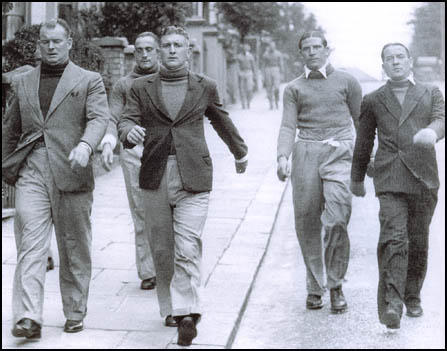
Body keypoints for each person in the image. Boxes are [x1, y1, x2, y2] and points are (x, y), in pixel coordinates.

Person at [118, 25, 248, 346]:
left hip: (194, 175)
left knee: (188, 245)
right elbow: (125, 118)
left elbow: (221, 120)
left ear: (189, 51)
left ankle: (187, 313)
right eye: (167, 45)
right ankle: (170, 307)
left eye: (178, 45)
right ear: (159, 51)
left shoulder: (205, 86)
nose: (172, 50)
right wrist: (127, 132)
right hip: (155, 173)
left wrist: (240, 151)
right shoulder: (141, 87)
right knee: (162, 246)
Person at [2, 19, 110, 339]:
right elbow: (10, 129)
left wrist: (86, 145)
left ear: (69, 43)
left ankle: (75, 310)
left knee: (73, 246)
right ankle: (28, 317)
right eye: (45, 41)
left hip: (72, 169)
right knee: (30, 243)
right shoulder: (24, 82)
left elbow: (99, 117)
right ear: (39, 44)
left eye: (57, 41)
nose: (51, 46)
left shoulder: (89, 80)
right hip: (32, 170)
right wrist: (7, 168)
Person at [350, 43, 445, 330]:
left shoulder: (430, 92)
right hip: (390, 176)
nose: (395, 62)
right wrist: (356, 178)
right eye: (389, 59)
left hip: (423, 178)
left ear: (410, 61)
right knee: (394, 238)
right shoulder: (374, 99)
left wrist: (433, 131)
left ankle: (412, 295)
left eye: (400, 57)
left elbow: (442, 119)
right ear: (383, 66)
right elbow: (364, 142)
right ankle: (391, 304)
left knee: (418, 240)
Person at [276, 31, 362, 314]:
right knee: (307, 221)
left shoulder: (347, 82)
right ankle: (315, 286)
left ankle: (336, 285)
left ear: (328, 50)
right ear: (301, 54)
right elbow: (289, 126)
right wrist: (282, 156)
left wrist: (366, 156)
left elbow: (360, 122)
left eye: (317, 47)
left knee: (337, 218)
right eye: (306, 49)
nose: (312, 52)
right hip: (306, 154)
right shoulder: (294, 88)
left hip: (340, 152)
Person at [100, 32, 159, 294]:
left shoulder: (167, 78)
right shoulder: (123, 85)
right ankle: (148, 271)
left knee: (168, 211)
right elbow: (112, 117)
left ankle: (168, 265)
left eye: (149, 49)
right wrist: (109, 141)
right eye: (140, 50)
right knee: (141, 211)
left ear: (157, 51)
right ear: (134, 53)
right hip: (134, 153)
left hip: (166, 152)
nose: (144, 54)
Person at [262, 41, 283, 110]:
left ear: (275, 46)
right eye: (271, 46)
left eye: (273, 46)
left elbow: (281, 64)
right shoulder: (265, 54)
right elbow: (263, 65)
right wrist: (263, 75)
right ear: (269, 47)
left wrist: (282, 73)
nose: (272, 47)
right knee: (269, 88)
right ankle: (271, 103)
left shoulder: (278, 54)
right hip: (267, 70)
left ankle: (276, 101)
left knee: (276, 87)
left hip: (276, 69)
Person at [236, 43, 256, 109]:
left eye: (246, 48)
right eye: (244, 48)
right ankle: (243, 103)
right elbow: (237, 65)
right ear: (242, 49)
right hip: (242, 72)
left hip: (249, 72)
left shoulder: (251, 56)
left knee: (249, 89)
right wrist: (239, 72)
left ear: (248, 49)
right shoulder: (239, 56)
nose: (245, 50)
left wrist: (254, 75)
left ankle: (248, 102)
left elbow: (253, 66)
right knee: (242, 89)